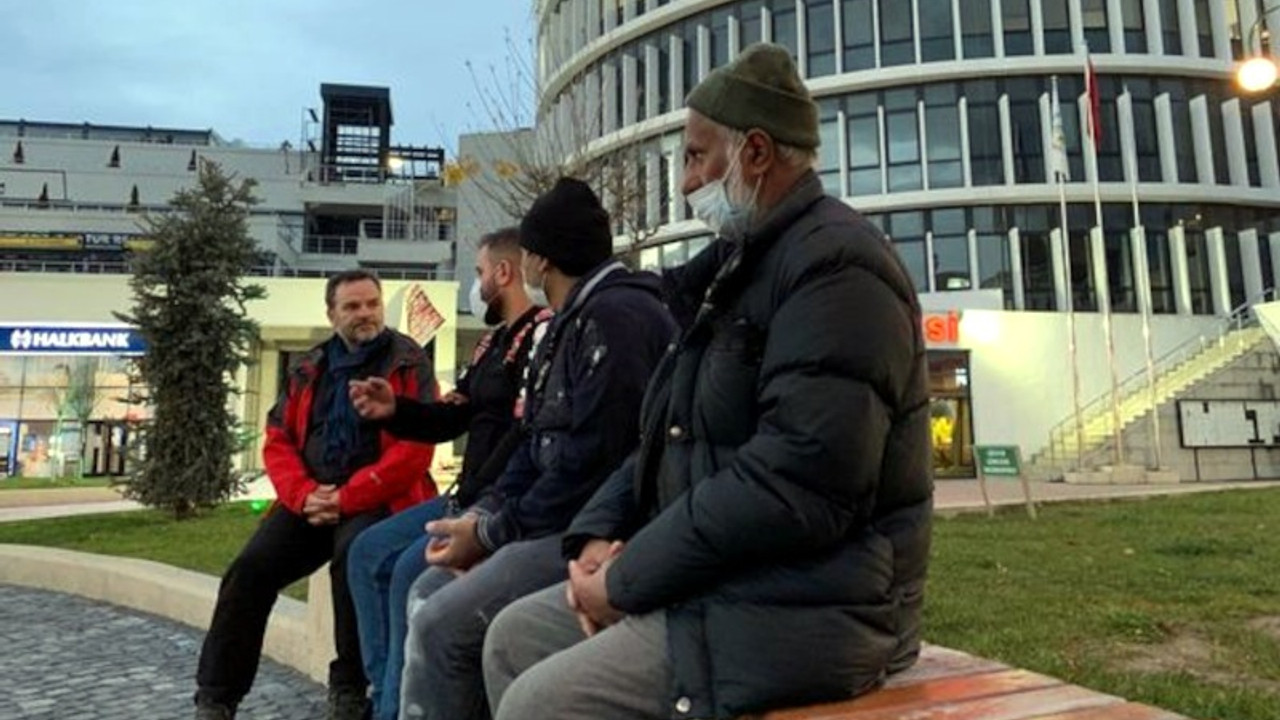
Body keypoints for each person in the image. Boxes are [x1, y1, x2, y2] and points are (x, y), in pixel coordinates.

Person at [482, 43, 934, 720]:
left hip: (816, 606)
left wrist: (628, 579)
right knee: (511, 639)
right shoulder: (732, 272)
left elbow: (799, 480)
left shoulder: (839, 269)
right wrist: (597, 538)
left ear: (755, 153)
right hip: (724, 579)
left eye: (695, 157)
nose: (686, 183)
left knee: (538, 705)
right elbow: (664, 436)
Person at [397, 177, 678, 720]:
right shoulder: (575, 322)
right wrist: (485, 517)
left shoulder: (614, 320)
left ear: (539, 260)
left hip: (589, 532)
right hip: (549, 520)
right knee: (427, 583)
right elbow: (534, 442)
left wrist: (489, 534)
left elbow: (590, 465)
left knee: (436, 615)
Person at [194, 270, 438, 720]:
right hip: (310, 498)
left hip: (376, 498)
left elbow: (415, 449)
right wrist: (304, 495)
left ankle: (348, 689)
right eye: (352, 306)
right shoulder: (309, 367)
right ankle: (216, 696)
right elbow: (278, 436)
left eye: (372, 304)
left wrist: (347, 497)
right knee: (248, 572)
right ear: (332, 314)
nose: (365, 314)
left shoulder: (408, 361)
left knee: (353, 559)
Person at [345, 227, 545, 720]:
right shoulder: (491, 344)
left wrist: (482, 509)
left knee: (410, 572)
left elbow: (528, 433)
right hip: (464, 494)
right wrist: (398, 410)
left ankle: (397, 706)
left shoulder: (541, 334)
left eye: (478, 274)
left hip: (495, 501)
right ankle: (383, 687)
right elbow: (453, 416)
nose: (476, 287)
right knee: (366, 552)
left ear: (503, 273)